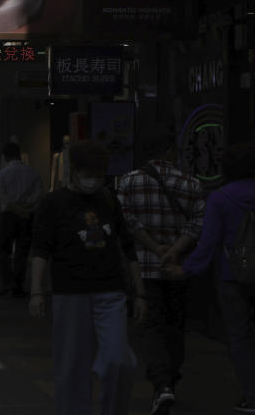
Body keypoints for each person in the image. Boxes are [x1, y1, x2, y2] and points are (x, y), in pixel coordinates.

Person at [29, 140, 146, 415]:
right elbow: (41, 250)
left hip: (111, 291)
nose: (93, 181)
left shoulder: (108, 199)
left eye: (99, 175)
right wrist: (36, 292)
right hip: (70, 293)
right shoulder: (53, 204)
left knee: (119, 361)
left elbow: (127, 246)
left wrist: (140, 292)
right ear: (74, 171)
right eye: (88, 174)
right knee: (71, 367)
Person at [116, 127, 205, 415]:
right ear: (170, 151)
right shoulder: (190, 183)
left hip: (143, 267)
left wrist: (154, 248)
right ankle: (169, 382)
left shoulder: (129, 181)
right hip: (177, 268)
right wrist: (174, 250)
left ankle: (162, 383)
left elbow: (126, 222)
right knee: (174, 327)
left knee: (148, 326)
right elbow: (198, 223)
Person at [166, 142, 255, 415]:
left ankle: (252, 396)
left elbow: (208, 242)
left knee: (240, 338)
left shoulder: (220, 198)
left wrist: (186, 269)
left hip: (233, 276)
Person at [0, 141, 43, 299]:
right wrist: (25, 207)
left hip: (8, 215)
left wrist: (14, 206)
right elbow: (38, 195)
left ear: (5, 156)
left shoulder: (2, 174)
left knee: (3, 250)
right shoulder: (32, 173)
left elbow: (1, 197)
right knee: (22, 250)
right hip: (27, 216)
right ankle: (18, 284)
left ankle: (7, 281)